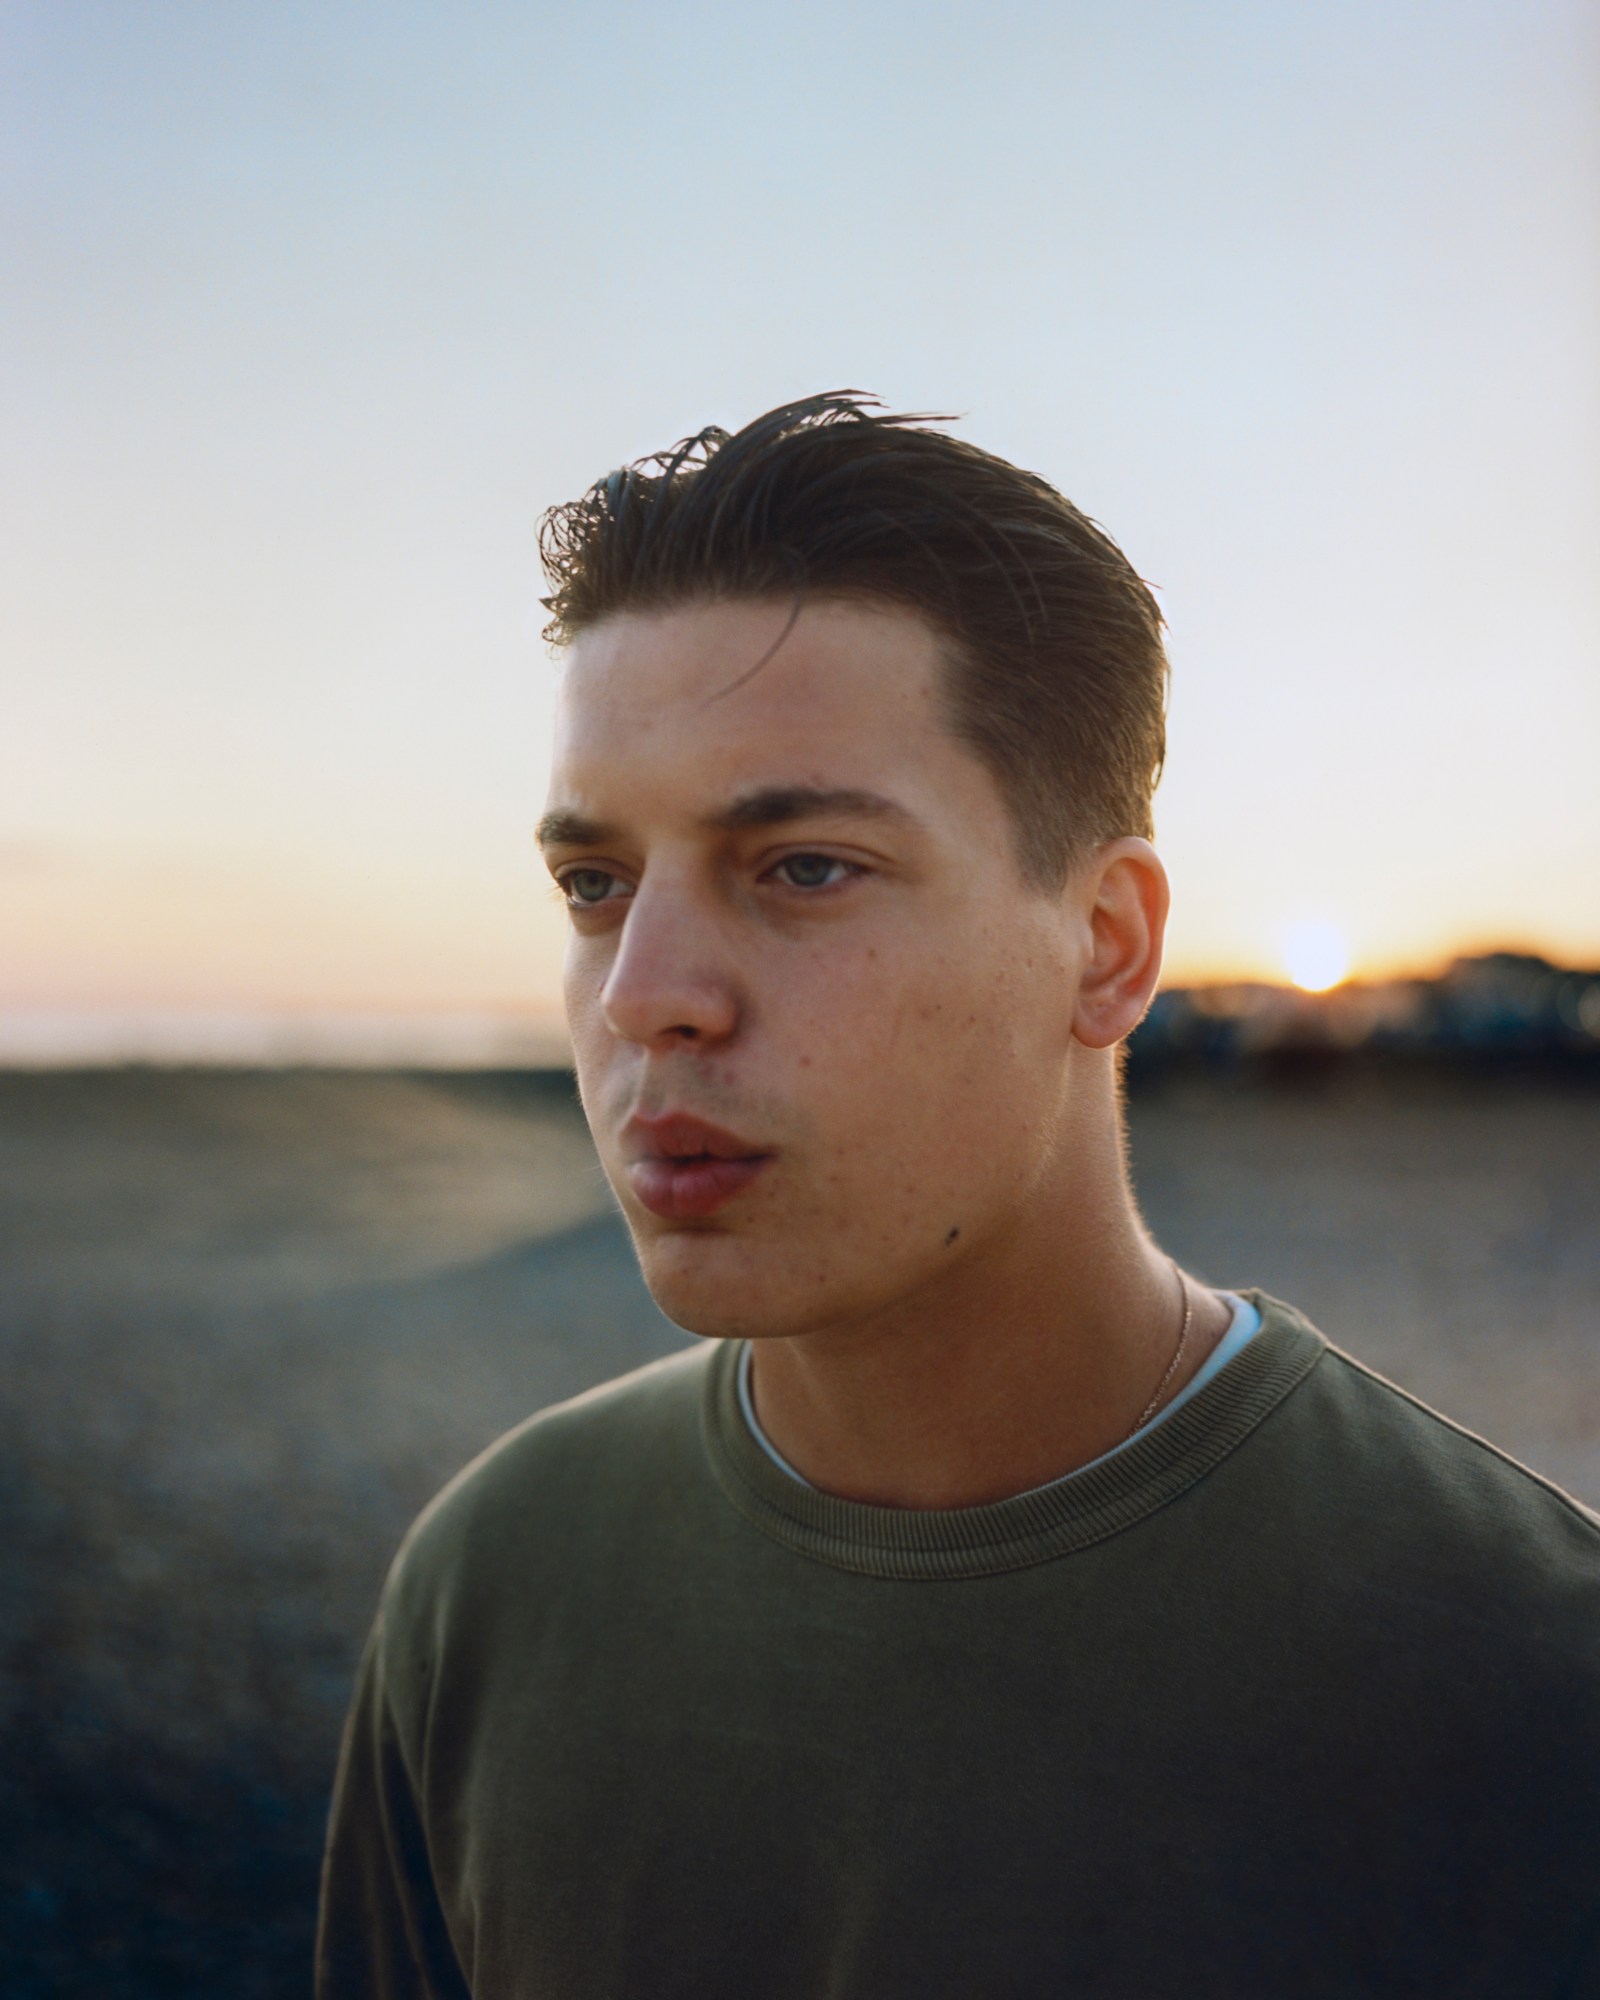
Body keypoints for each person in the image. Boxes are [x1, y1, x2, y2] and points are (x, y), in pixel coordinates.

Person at [317, 394, 1600, 1999]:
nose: (647, 995)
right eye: (596, 884)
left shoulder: (1527, 1680)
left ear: (1108, 945)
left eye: (802, 867)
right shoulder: (490, 1589)